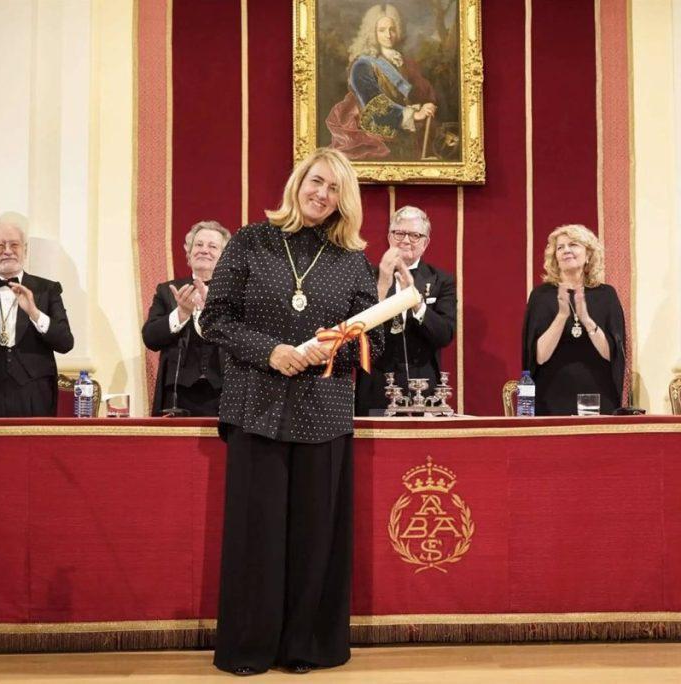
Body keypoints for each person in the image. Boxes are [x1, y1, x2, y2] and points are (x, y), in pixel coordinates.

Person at [198, 148, 384, 676]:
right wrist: (271, 351)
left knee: (313, 537)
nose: (322, 195)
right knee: (256, 536)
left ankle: (306, 646)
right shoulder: (251, 241)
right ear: (298, 181)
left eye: (334, 191)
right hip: (255, 405)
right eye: (317, 182)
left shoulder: (352, 262)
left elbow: (367, 345)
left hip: (322, 413)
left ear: (344, 203)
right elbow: (216, 320)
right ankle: (250, 648)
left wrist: (335, 348)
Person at [0, 216, 74, 417]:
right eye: (0, 246)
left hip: (36, 392)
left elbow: (65, 343)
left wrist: (35, 314)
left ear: (25, 250)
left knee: (34, 449)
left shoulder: (47, 289)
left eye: (14, 245)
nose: (7, 251)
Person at [355, 205, 455, 415]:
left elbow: (444, 334)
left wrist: (415, 299)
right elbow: (358, 331)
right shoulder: (367, 277)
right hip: (376, 384)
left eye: (415, 235)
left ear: (425, 242)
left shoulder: (441, 280)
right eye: (399, 233)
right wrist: (383, 283)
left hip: (425, 389)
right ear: (390, 237)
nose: (406, 240)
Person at [521, 224, 626, 415]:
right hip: (551, 398)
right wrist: (561, 317)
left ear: (588, 255)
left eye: (573, 244)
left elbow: (612, 355)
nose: (566, 250)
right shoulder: (541, 296)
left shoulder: (606, 295)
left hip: (599, 396)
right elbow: (539, 357)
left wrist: (586, 319)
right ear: (555, 259)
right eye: (560, 247)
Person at [325, 3, 438, 161]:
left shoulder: (403, 62)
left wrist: (425, 104)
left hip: (406, 140)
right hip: (375, 143)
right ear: (372, 32)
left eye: (392, 29)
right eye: (382, 30)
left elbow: (418, 94)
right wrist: (415, 115)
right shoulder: (362, 65)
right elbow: (375, 107)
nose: (388, 35)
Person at [142, 220, 230, 416]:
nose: (204, 250)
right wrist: (181, 313)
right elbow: (150, 338)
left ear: (223, 256)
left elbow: (244, 338)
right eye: (198, 245)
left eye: (212, 246)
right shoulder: (167, 291)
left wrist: (214, 312)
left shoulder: (235, 293)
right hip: (177, 394)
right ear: (189, 253)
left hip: (224, 391)